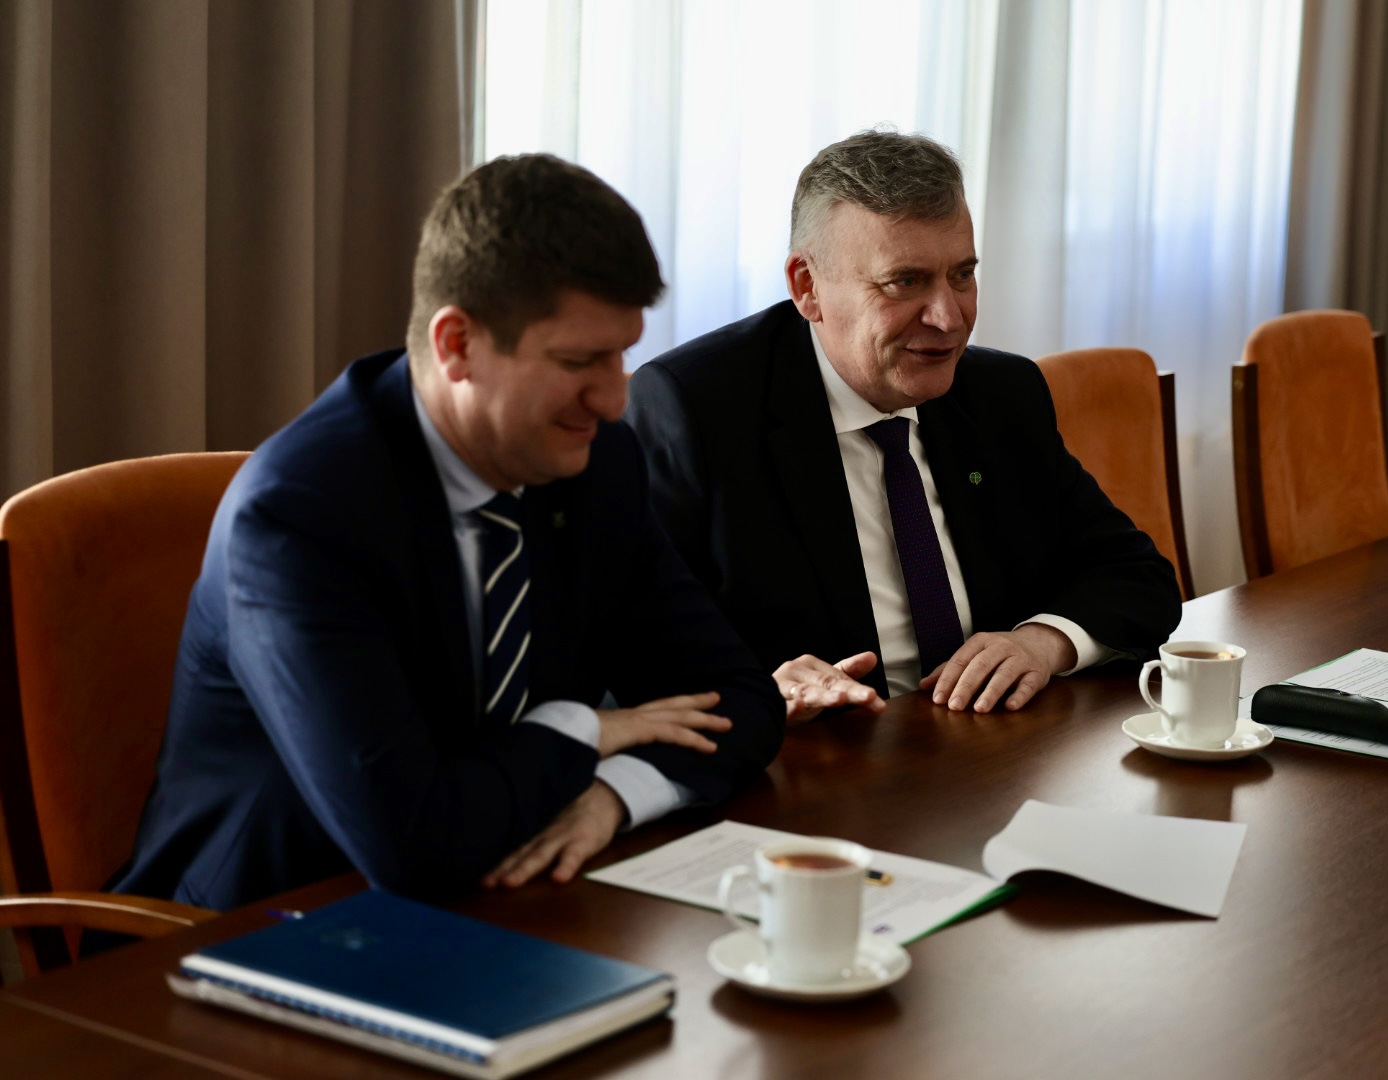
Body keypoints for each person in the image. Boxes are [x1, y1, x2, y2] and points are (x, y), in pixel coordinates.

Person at [110, 154, 783, 913]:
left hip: (508, 893)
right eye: (579, 361)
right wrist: (585, 729)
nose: (614, 399)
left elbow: (743, 702)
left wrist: (614, 795)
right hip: (269, 924)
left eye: (622, 353)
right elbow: (415, 846)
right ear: (457, 344)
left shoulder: (596, 464)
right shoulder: (298, 518)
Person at [626, 130, 1180, 723]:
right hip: (820, 759)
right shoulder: (697, 409)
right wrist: (761, 691)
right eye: (905, 282)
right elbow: (630, 648)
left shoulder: (1001, 394)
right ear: (807, 286)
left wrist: (1041, 643)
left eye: (962, 275)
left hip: (994, 745)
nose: (949, 318)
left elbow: (1138, 577)